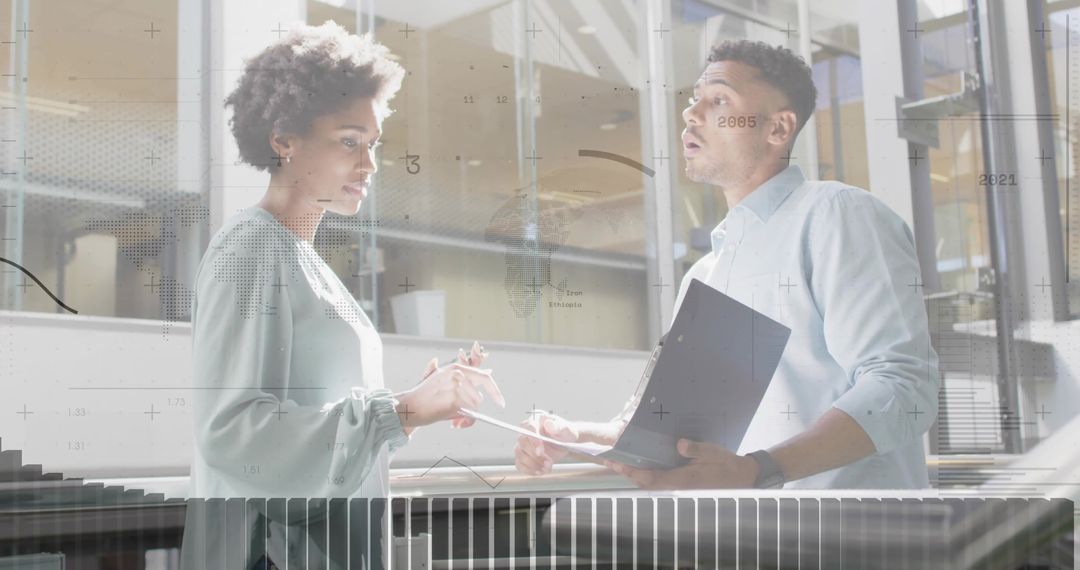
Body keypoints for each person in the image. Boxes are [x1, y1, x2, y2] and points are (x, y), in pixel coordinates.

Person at [515, 40, 940, 490]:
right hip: (749, 543)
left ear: (778, 128)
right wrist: (574, 436)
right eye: (694, 97)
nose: (691, 113)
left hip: (852, 542)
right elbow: (670, 432)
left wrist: (759, 468)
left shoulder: (837, 215)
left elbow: (903, 386)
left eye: (719, 99)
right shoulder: (707, 273)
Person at [179, 22, 503, 570]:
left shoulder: (304, 262)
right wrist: (402, 410)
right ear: (284, 140)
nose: (369, 165)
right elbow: (232, 434)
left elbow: (327, 430)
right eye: (350, 142)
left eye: (372, 145)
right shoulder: (251, 250)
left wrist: (417, 400)